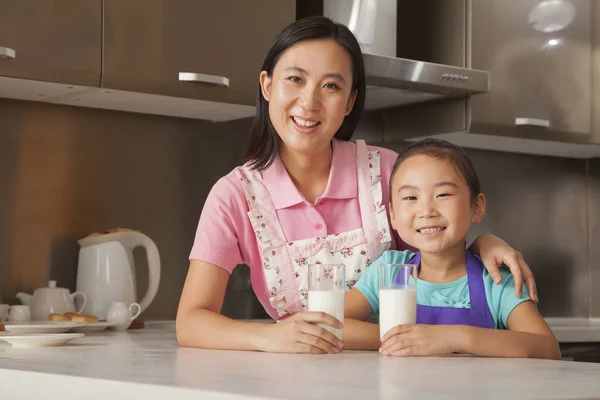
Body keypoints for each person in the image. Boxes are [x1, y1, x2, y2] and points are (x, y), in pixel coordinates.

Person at [176, 16, 538, 354]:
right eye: (295, 79)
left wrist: (481, 243)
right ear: (267, 85)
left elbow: (436, 251)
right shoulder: (235, 195)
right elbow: (191, 322)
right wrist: (270, 336)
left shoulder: (386, 169)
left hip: (405, 374)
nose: (310, 102)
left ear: (350, 101)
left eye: (331, 86)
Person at [345, 138, 560, 359]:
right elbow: (333, 324)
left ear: (477, 207)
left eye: (443, 195)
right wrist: (406, 339)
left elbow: (548, 349)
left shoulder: (496, 281)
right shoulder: (390, 271)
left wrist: (453, 338)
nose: (426, 211)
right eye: (411, 197)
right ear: (392, 215)